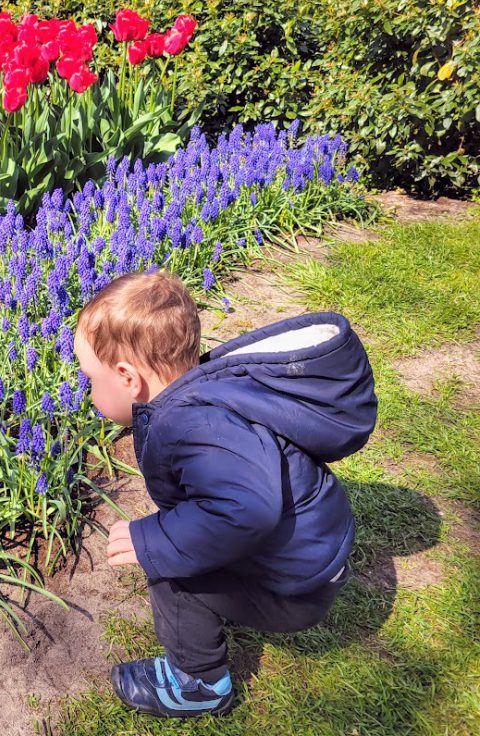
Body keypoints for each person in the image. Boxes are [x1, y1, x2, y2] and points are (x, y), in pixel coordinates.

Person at [73, 270, 376, 717]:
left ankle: (199, 684)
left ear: (127, 377)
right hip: (314, 556)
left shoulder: (191, 425)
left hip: (297, 588)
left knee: (173, 573)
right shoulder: (208, 388)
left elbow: (246, 507)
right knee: (185, 539)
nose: (88, 391)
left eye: (90, 380)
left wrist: (154, 540)